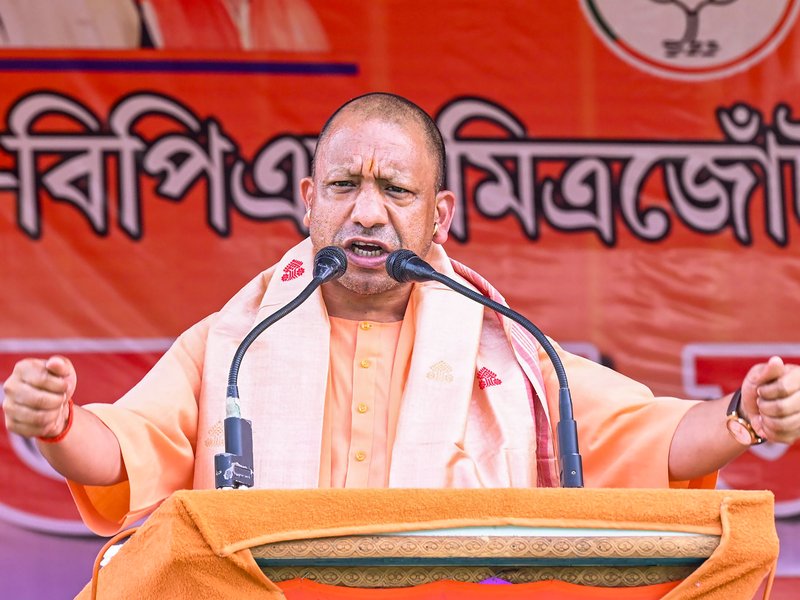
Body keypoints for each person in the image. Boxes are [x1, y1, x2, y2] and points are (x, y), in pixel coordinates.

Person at [3, 93, 800, 537]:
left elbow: (644, 436)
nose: (368, 212)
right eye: (344, 186)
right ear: (309, 202)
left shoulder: (503, 348)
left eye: (396, 190)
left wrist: (744, 416)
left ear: (438, 216)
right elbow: (124, 450)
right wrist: (57, 423)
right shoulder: (235, 341)